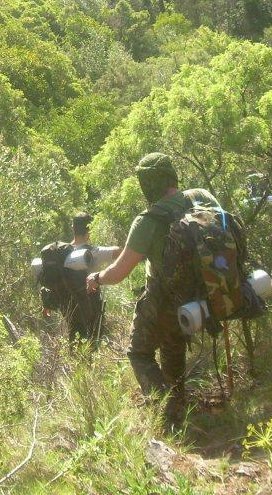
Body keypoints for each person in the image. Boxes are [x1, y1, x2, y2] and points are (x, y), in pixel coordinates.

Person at [86, 152, 220, 423]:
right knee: (172, 345)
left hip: (167, 298)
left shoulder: (148, 220)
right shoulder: (202, 197)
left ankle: (167, 407)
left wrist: (96, 278)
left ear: (147, 183)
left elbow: (119, 273)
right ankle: (179, 401)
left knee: (139, 353)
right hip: (210, 292)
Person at [45, 212, 118, 344]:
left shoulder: (60, 253)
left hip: (68, 308)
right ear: (90, 230)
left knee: (75, 341)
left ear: (73, 228)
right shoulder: (92, 252)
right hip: (90, 308)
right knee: (93, 343)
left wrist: (47, 304)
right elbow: (120, 251)